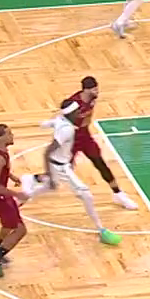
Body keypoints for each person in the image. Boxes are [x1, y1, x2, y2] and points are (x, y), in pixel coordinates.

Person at [19, 100, 122, 247]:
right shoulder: (66, 130)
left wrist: (44, 124)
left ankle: (24, 190)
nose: (79, 113)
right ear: (71, 114)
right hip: (60, 167)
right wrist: (49, 173)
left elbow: (48, 123)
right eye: (77, 112)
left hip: (60, 164)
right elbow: (47, 152)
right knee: (87, 195)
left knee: (50, 187)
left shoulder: (61, 120)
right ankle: (101, 230)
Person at [53, 76, 139, 210]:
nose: (97, 91)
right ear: (86, 90)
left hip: (85, 138)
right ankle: (31, 185)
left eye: (97, 88)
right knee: (59, 172)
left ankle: (118, 194)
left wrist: (84, 126)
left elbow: (87, 118)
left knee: (101, 164)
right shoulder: (72, 104)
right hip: (71, 140)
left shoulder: (92, 100)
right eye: (94, 89)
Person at [0, 124, 34, 278]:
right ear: (1, 138)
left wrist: (11, 176)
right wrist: (16, 194)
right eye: (9, 133)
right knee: (20, 230)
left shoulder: (0, 150)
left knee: (8, 224)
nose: (12, 135)